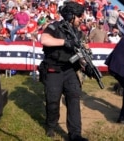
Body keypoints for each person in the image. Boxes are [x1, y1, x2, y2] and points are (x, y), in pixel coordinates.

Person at [39, 1, 88, 141]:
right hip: (53, 69)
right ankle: (51, 125)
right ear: (71, 15)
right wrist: (65, 42)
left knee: (73, 98)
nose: (81, 19)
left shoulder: (78, 33)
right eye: (79, 16)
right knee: (53, 100)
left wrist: (85, 63)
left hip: (70, 70)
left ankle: (75, 134)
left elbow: (80, 52)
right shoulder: (54, 26)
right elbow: (44, 39)